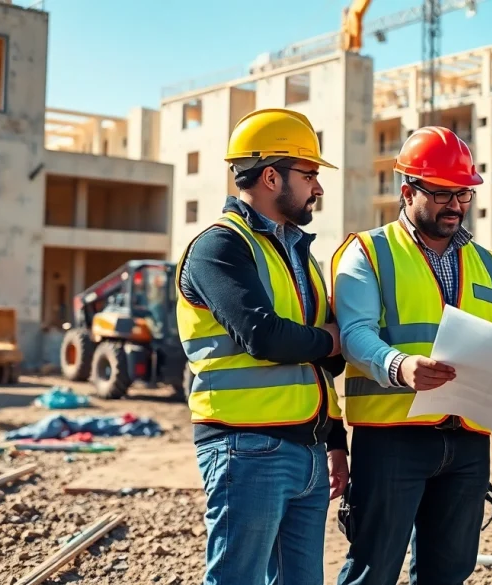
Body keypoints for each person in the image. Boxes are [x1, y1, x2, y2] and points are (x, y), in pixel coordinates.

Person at [330, 125, 492, 585]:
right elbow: (356, 333)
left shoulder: (488, 262)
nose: (455, 205)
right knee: (372, 570)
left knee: (449, 573)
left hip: (467, 440)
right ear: (406, 191)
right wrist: (400, 366)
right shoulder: (368, 252)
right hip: (393, 438)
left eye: (463, 194)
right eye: (441, 194)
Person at [175, 108, 349, 585]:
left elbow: (320, 363)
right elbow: (264, 337)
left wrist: (334, 442)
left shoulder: (299, 254)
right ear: (272, 176)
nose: (318, 187)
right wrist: (333, 338)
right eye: (310, 174)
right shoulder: (219, 248)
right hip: (246, 446)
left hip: (307, 449)